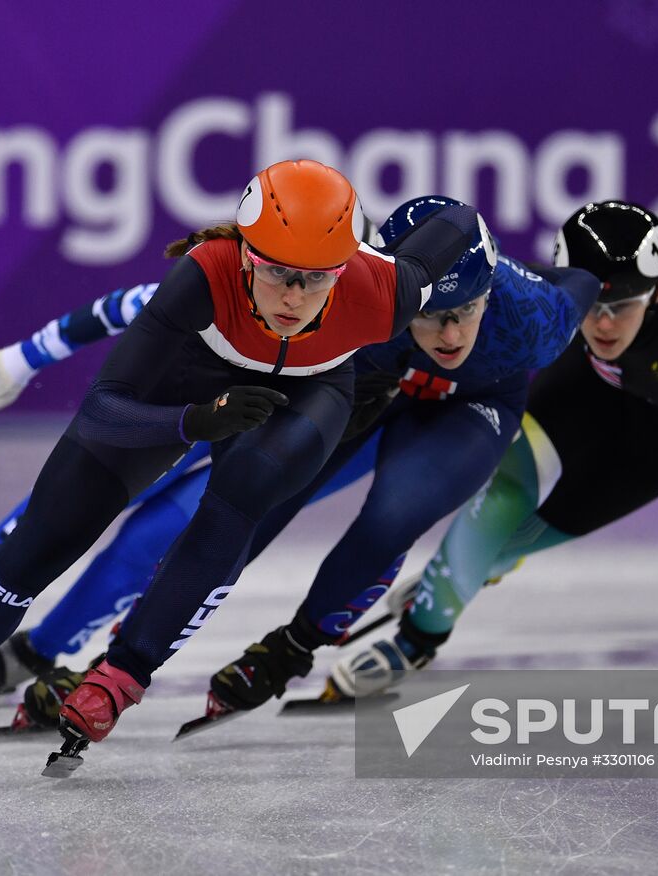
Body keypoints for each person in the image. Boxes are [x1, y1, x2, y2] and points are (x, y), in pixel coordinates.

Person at [0, 159, 483, 763]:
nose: (292, 296)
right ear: (246, 255)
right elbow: (103, 405)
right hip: (182, 390)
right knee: (41, 542)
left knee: (239, 497)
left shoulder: (381, 291)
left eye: (316, 279)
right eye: (278, 271)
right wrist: (188, 421)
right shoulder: (204, 274)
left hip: (309, 393)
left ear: (345, 271)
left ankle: (123, 673)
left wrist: (370, 256)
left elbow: (456, 222)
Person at [330, 199, 658, 699]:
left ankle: (472, 570)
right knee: (503, 491)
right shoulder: (568, 307)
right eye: (592, 306)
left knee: (514, 541)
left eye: (620, 307)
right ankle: (417, 639)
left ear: (657, 296)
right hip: (591, 385)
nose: (602, 324)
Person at [190, 196, 598, 721]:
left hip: (475, 403)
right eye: (430, 315)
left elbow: (585, 281)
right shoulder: (350, 294)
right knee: (264, 484)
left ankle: (291, 647)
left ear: (490, 293)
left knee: (393, 516)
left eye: (467, 310)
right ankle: (168, 603)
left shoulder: (536, 320)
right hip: (371, 381)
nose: (450, 336)